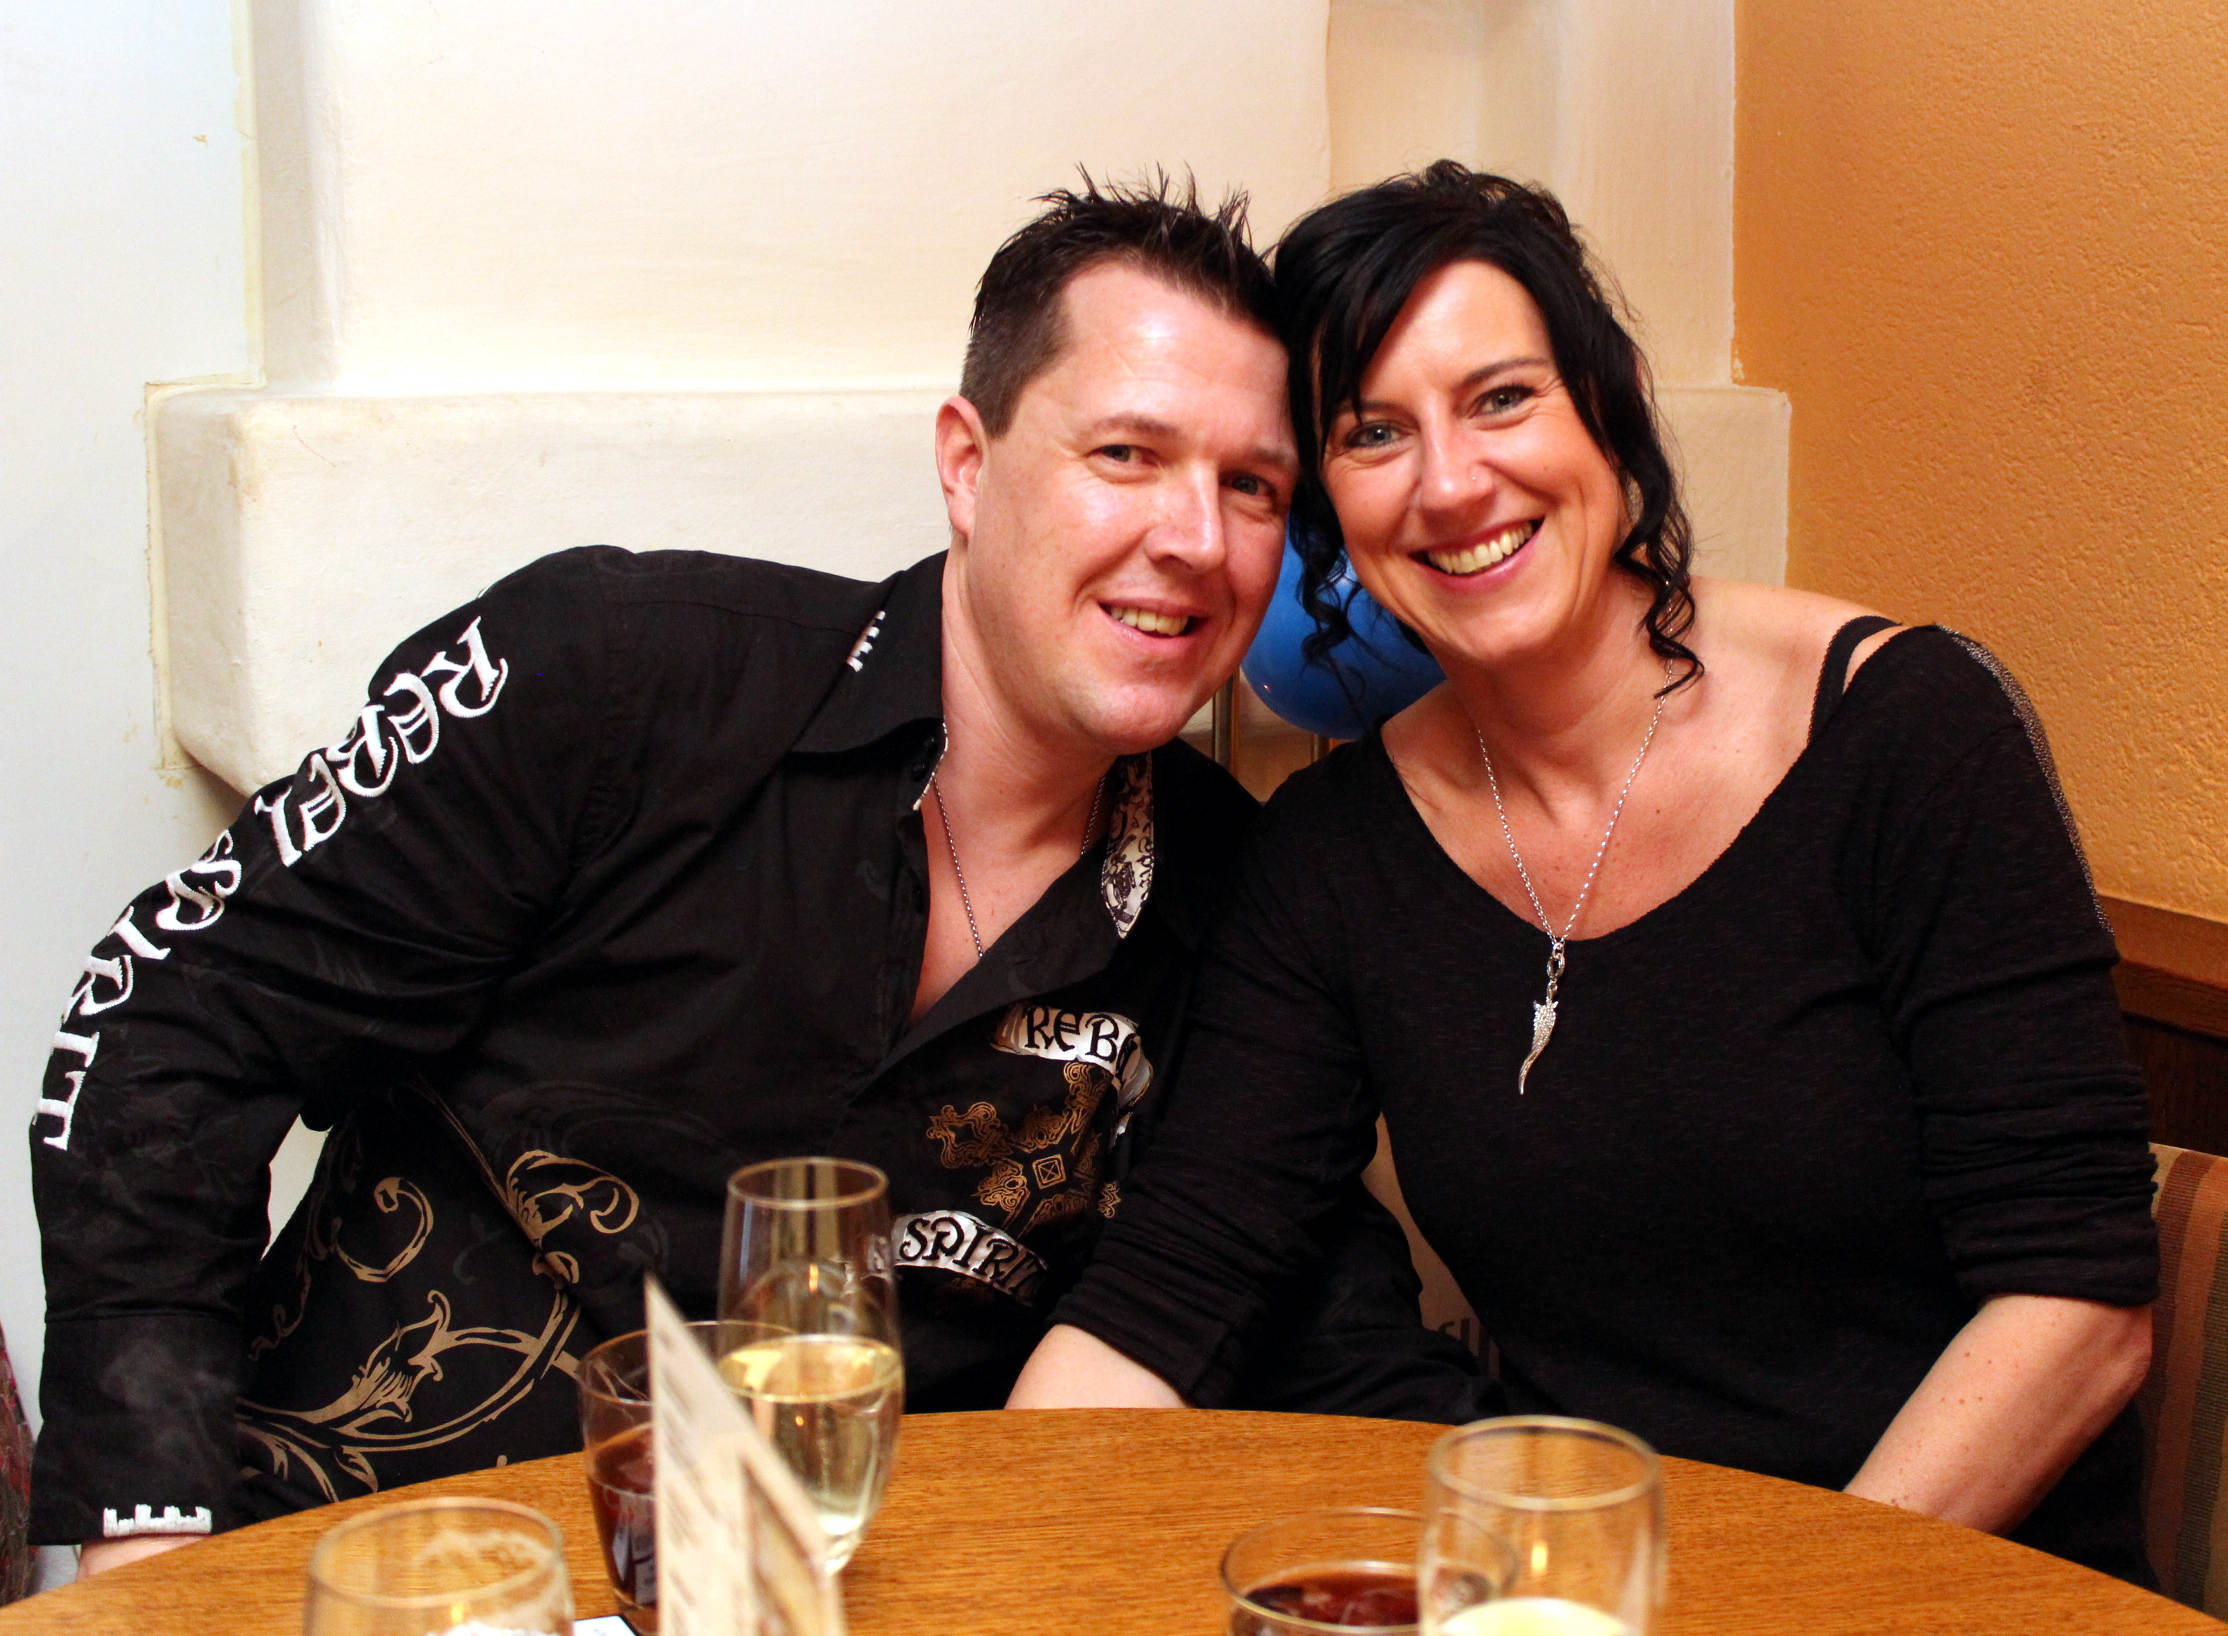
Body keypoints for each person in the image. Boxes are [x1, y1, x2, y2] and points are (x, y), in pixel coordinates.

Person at [32, 178, 1478, 1573]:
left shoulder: (1233, 892)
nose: (1195, 539)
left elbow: (1290, 1290)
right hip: (363, 1566)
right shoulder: (614, 678)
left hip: (846, 1591)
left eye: (1250, 487)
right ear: (967, 464)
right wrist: (146, 1548)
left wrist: (1522, 1539)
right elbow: (173, 1018)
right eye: (1126, 455)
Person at [1011, 163, 2159, 1580]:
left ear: (1608, 408)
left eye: (1502, 398)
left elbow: (2078, 1304)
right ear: (1327, 510)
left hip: (1953, 1576)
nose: (1450, 483)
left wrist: (1779, 1609)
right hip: (1582, 1589)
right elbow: (1180, 1279)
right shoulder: (1333, 854)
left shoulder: (1905, 730)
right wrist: (997, 1557)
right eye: (1374, 433)